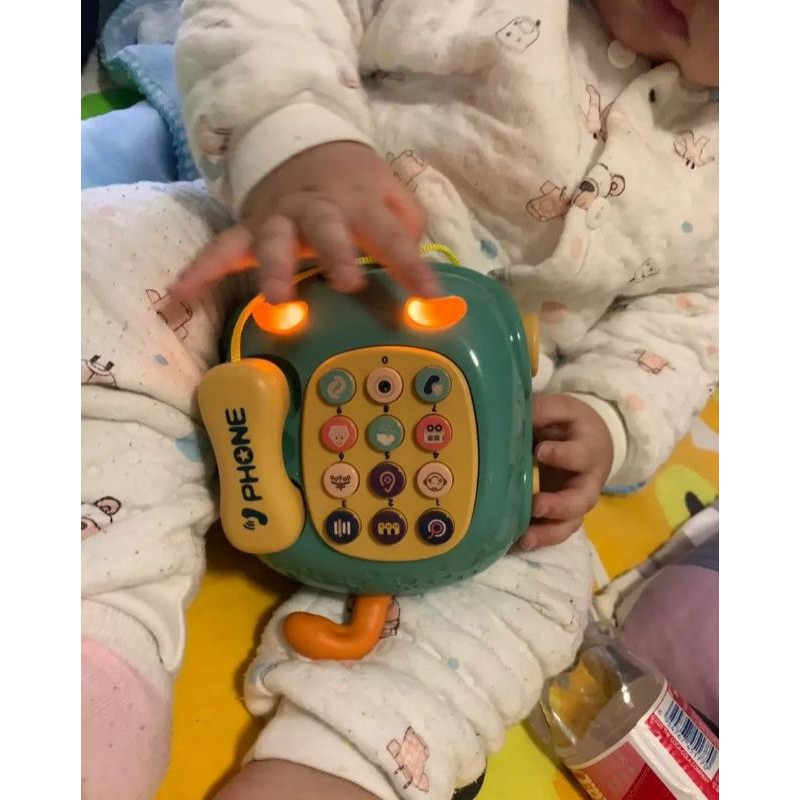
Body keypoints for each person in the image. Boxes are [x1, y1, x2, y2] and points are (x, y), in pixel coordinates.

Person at [80, 1, 718, 797]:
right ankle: (94, 648)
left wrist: (607, 418)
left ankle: (340, 764)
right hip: (274, 272)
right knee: (106, 254)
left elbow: (692, 324)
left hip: (481, 437)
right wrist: (298, 147)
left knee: (547, 585)